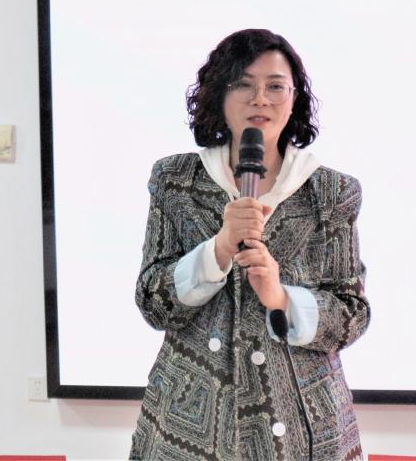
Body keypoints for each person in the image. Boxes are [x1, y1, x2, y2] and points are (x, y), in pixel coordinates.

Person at [129, 28, 370, 461]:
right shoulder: (176, 180)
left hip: (303, 426)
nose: (260, 99)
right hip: (189, 424)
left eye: (275, 86)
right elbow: (153, 303)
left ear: (294, 98)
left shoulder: (332, 193)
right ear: (219, 96)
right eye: (243, 84)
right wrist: (218, 249)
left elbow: (352, 316)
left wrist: (281, 297)